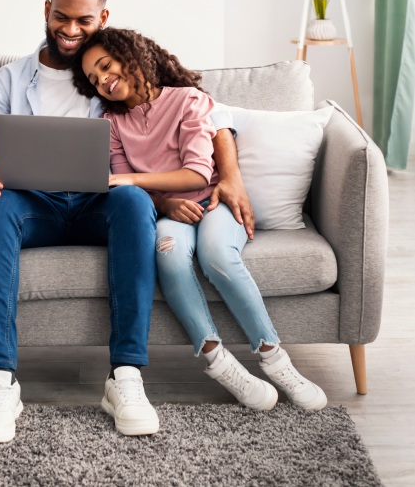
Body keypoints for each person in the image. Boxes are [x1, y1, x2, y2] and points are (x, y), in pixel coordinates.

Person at [0, 0, 257, 444]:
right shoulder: (9, 80)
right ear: (47, 10)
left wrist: (231, 174)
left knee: (132, 204)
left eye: (84, 21)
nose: (71, 30)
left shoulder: (117, 64)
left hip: (100, 201)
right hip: (32, 206)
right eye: (62, 17)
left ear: (103, 17)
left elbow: (206, 107)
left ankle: (126, 377)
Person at [72, 27, 328, 412]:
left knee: (217, 256)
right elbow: (130, 193)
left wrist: (130, 179)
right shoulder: (112, 123)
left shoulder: (188, 100)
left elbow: (194, 173)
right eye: (93, 78)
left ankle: (276, 359)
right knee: (169, 255)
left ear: (130, 56)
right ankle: (218, 362)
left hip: (213, 200)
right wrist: (162, 204)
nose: (102, 80)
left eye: (106, 66)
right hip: (172, 210)